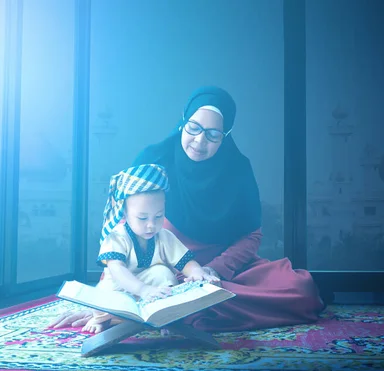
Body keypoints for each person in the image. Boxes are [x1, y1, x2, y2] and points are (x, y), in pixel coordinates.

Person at [49, 86, 325, 333]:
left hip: (222, 269)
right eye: (193, 127)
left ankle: (180, 309)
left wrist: (213, 271)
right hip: (160, 265)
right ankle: (170, 309)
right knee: (166, 289)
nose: (199, 141)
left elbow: (251, 236)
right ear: (183, 121)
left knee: (300, 289)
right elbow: (124, 231)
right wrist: (106, 300)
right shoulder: (154, 159)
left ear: (225, 135)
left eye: (213, 134)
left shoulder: (238, 169)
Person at [81, 163, 219, 334]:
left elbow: (185, 262)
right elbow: (117, 269)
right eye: (142, 218)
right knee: (102, 297)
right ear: (124, 213)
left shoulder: (165, 236)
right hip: (120, 290)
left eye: (158, 216)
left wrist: (198, 273)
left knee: (163, 272)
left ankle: (163, 317)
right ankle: (102, 320)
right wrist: (142, 290)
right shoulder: (116, 236)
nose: (151, 225)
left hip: (152, 293)